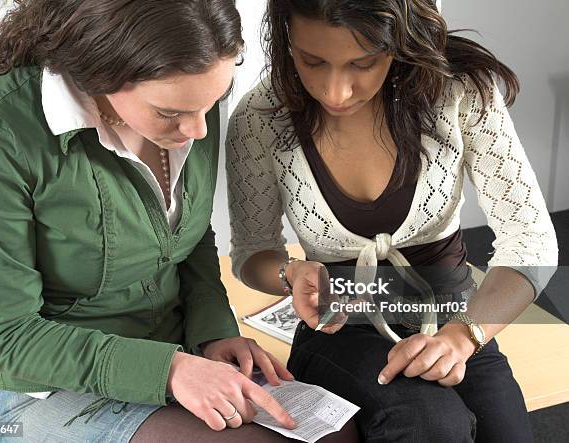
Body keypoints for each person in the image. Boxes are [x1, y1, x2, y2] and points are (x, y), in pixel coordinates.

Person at [0, 1, 331, 441]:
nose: (199, 131)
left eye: (212, 103)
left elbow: (188, 239)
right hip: (54, 387)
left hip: (183, 353)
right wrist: (171, 370)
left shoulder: (191, 94)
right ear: (101, 71)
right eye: (171, 114)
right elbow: (11, 339)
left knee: (334, 434)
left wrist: (214, 334)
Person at [226, 0, 558, 441]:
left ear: (398, 41)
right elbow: (252, 253)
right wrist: (291, 273)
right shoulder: (260, 118)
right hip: (341, 328)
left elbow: (531, 240)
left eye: (362, 63)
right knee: (432, 426)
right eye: (311, 61)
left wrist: (464, 335)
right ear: (285, 37)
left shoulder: (459, 92)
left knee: (506, 433)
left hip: (454, 312)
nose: (335, 91)